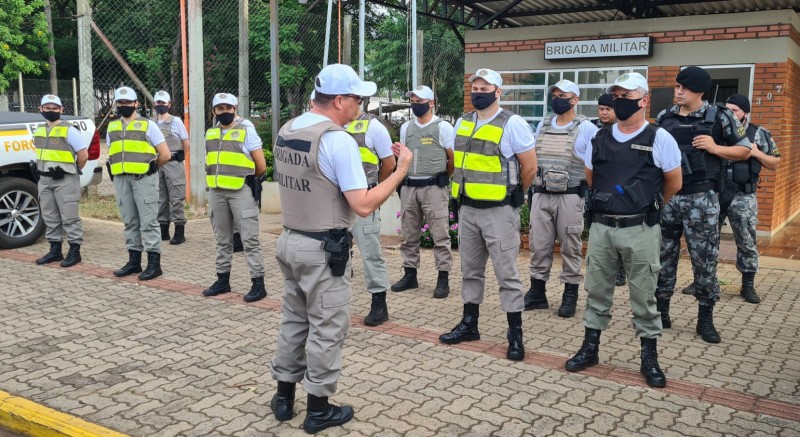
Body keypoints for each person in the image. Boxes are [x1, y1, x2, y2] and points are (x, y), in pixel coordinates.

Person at [269, 64, 413, 434]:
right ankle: (318, 409)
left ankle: (284, 397)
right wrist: (400, 172)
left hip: (289, 241)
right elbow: (363, 204)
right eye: (357, 98)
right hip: (322, 248)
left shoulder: (289, 129)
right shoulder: (337, 141)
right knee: (327, 328)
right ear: (338, 100)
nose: (360, 105)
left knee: (293, 321)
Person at [565, 73, 682, 388]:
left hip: (640, 228)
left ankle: (649, 357)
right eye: (616, 95)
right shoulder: (599, 137)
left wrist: (647, 205)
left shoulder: (660, 138)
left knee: (644, 296)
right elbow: (592, 176)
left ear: (644, 100)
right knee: (597, 291)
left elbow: (674, 182)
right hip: (603, 228)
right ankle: (590, 349)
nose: (620, 100)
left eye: (627, 95)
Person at [438, 68, 537, 362]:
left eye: (485, 88)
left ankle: (515, 334)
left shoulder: (513, 124)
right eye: (475, 87)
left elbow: (529, 167)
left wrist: (516, 194)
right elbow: (458, 164)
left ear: (498, 92)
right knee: (470, 272)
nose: (478, 92)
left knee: (507, 274)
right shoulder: (463, 122)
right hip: (468, 209)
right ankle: (470, 324)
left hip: (499, 211)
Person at [654, 66, 751, 343]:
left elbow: (744, 150)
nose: (678, 91)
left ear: (700, 91)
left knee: (704, 259)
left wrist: (715, 147)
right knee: (663, 257)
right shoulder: (665, 117)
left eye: (684, 88)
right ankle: (661, 312)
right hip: (670, 197)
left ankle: (705, 319)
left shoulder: (720, 117)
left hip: (702, 198)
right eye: (677, 87)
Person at [525, 79, 598, 318]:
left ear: (574, 100)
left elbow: (596, 165)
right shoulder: (543, 125)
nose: (557, 99)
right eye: (554, 94)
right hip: (541, 195)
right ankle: (537, 293)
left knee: (570, 247)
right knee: (539, 246)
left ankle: (570, 296)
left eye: (562, 95)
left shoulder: (586, 128)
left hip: (570, 195)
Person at [200, 93, 268, 303]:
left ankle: (258, 284)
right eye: (220, 109)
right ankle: (222, 280)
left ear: (235, 108)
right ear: (214, 112)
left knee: (249, 239)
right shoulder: (210, 134)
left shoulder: (246, 130)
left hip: (241, 192)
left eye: (228, 108)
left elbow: (261, 166)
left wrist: (247, 181)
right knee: (222, 239)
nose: (225, 112)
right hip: (217, 192)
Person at [392, 85, 455, 298]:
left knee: (440, 234)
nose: (415, 105)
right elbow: (402, 156)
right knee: (409, 234)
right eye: (413, 101)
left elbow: (452, 159)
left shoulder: (443, 127)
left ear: (431, 103)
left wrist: (442, 177)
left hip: (433, 188)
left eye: (420, 101)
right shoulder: (406, 128)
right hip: (409, 186)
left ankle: (443, 278)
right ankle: (410, 274)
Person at [341, 95, 396, 326]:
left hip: (364, 199)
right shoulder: (332, 124)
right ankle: (338, 302)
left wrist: (376, 193)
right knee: (338, 254)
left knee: (371, 253)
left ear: (359, 100)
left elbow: (389, 164)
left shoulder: (373, 126)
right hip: (337, 200)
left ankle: (379, 304)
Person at [107, 86, 170, 280]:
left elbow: (165, 154)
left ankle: (154, 264)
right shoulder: (112, 126)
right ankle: (134, 262)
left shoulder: (148, 125)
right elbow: (112, 152)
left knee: (149, 222)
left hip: (143, 180)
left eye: (128, 102)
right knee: (130, 221)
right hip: (121, 179)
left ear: (136, 104)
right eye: (120, 103)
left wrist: (152, 168)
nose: (124, 106)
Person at [722, 94, 780, 303]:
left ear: (745, 112)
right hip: (716, 193)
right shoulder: (717, 130)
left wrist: (756, 153)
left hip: (742, 195)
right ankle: (702, 280)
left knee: (746, 240)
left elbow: (774, 163)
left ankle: (747, 284)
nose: (730, 114)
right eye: (727, 110)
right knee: (706, 239)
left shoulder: (758, 133)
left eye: (735, 110)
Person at [32, 94, 87, 268]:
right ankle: (55, 250)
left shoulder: (69, 129)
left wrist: (71, 170)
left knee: (69, 217)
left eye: (54, 108)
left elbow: (83, 155)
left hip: (65, 179)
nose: (50, 111)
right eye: (47, 108)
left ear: (61, 110)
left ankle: (74, 252)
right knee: (50, 216)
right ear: (40, 110)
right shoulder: (39, 129)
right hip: (45, 179)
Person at [594, 93, 627, 287]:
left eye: (608, 109)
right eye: (601, 109)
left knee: (620, 228)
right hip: (599, 184)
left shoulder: (622, 130)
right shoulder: (593, 128)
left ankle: (620, 270)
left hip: (619, 185)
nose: (604, 113)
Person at [152, 90, 189, 245]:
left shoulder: (176, 122)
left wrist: (179, 157)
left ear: (169, 104)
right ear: (155, 104)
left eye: (163, 103)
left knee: (175, 197)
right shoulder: (151, 122)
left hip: (173, 163)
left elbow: (186, 143)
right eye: (158, 103)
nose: (161, 105)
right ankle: (163, 230)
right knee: (160, 198)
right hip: (157, 162)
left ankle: (179, 231)